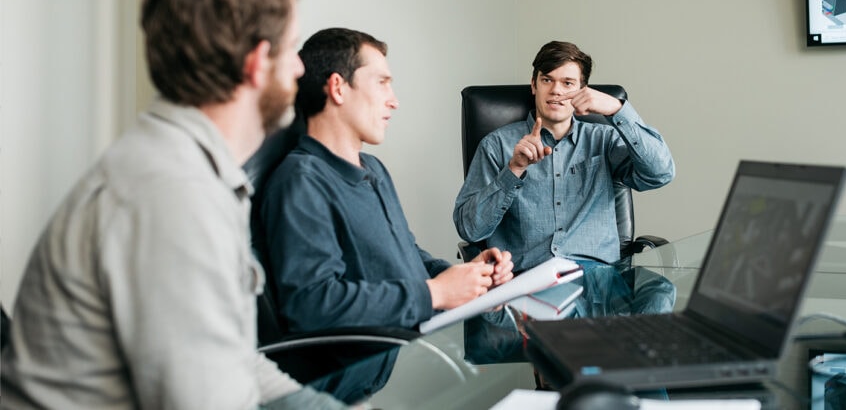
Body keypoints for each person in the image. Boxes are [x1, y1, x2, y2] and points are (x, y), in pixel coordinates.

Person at [0, 0, 350, 408]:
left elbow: (234, 364)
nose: (301, 68)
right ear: (255, 63)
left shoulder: (187, 170)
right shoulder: (172, 196)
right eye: (291, 49)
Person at [257, 28, 514, 363]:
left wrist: (464, 278)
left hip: (392, 364)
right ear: (338, 87)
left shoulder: (373, 169)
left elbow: (405, 254)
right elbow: (312, 305)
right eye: (381, 82)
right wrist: (435, 293)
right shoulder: (300, 182)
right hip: (341, 388)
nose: (394, 100)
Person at [453, 41, 675, 274]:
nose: (556, 90)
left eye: (567, 83)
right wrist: (514, 170)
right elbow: (470, 229)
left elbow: (661, 173)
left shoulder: (604, 139)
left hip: (596, 280)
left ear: (582, 90)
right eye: (547, 80)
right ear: (534, 85)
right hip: (525, 280)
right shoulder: (496, 145)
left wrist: (618, 109)